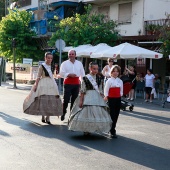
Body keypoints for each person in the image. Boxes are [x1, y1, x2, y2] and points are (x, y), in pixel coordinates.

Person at [68, 62, 112, 135]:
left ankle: (93, 128)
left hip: (97, 97)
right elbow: (82, 90)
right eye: (94, 69)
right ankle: (86, 129)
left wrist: (103, 97)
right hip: (88, 96)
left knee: (97, 113)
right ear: (90, 68)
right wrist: (81, 100)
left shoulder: (99, 78)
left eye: (97, 69)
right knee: (86, 112)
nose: (96, 70)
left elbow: (100, 89)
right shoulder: (85, 78)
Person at [23, 52, 63, 124]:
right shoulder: (42, 66)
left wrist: (58, 76)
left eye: (51, 58)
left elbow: (54, 75)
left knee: (50, 100)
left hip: (51, 84)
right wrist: (36, 85)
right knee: (43, 100)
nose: (49, 59)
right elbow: (38, 77)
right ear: (45, 58)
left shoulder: (53, 66)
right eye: (48, 58)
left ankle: (48, 118)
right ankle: (43, 116)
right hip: (43, 84)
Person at [59, 50, 85, 121]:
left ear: (75, 55)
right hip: (67, 82)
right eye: (69, 54)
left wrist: (83, 82)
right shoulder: (64, 63)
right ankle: (63, 112)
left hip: (76, 83)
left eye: (72, 54)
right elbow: (61, 73)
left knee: (74, 101)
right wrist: (69, 74)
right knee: (66, 99)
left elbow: (82, 74)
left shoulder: (79, 63)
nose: (71, 55)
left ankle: (71, 116)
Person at [104, 65, 123, 138]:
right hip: (111, 98)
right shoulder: (109, 80)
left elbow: (121, 90)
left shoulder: (120, 81)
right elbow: (106, 89)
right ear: (111, 72)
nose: (115, 73)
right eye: (114, 71)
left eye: (117, 71)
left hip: (118, 98)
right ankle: (111, 130)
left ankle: (113, 128)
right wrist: (106, 96)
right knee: (112, 114)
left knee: (116, 114)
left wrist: (119, 95)